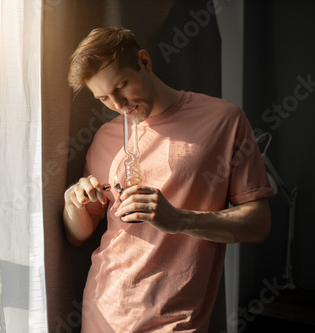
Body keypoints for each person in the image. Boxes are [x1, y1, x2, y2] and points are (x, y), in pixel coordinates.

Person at [63, 27, 274, 332]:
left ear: (145, 62)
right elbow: (77, 235)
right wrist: (75, 201)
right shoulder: (106, 137)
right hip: (104, 310)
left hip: (177, 319)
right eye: (104, 98)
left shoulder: (224, 120)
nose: (119, 105)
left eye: (122, 86)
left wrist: (177, 219)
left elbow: (259, 225)